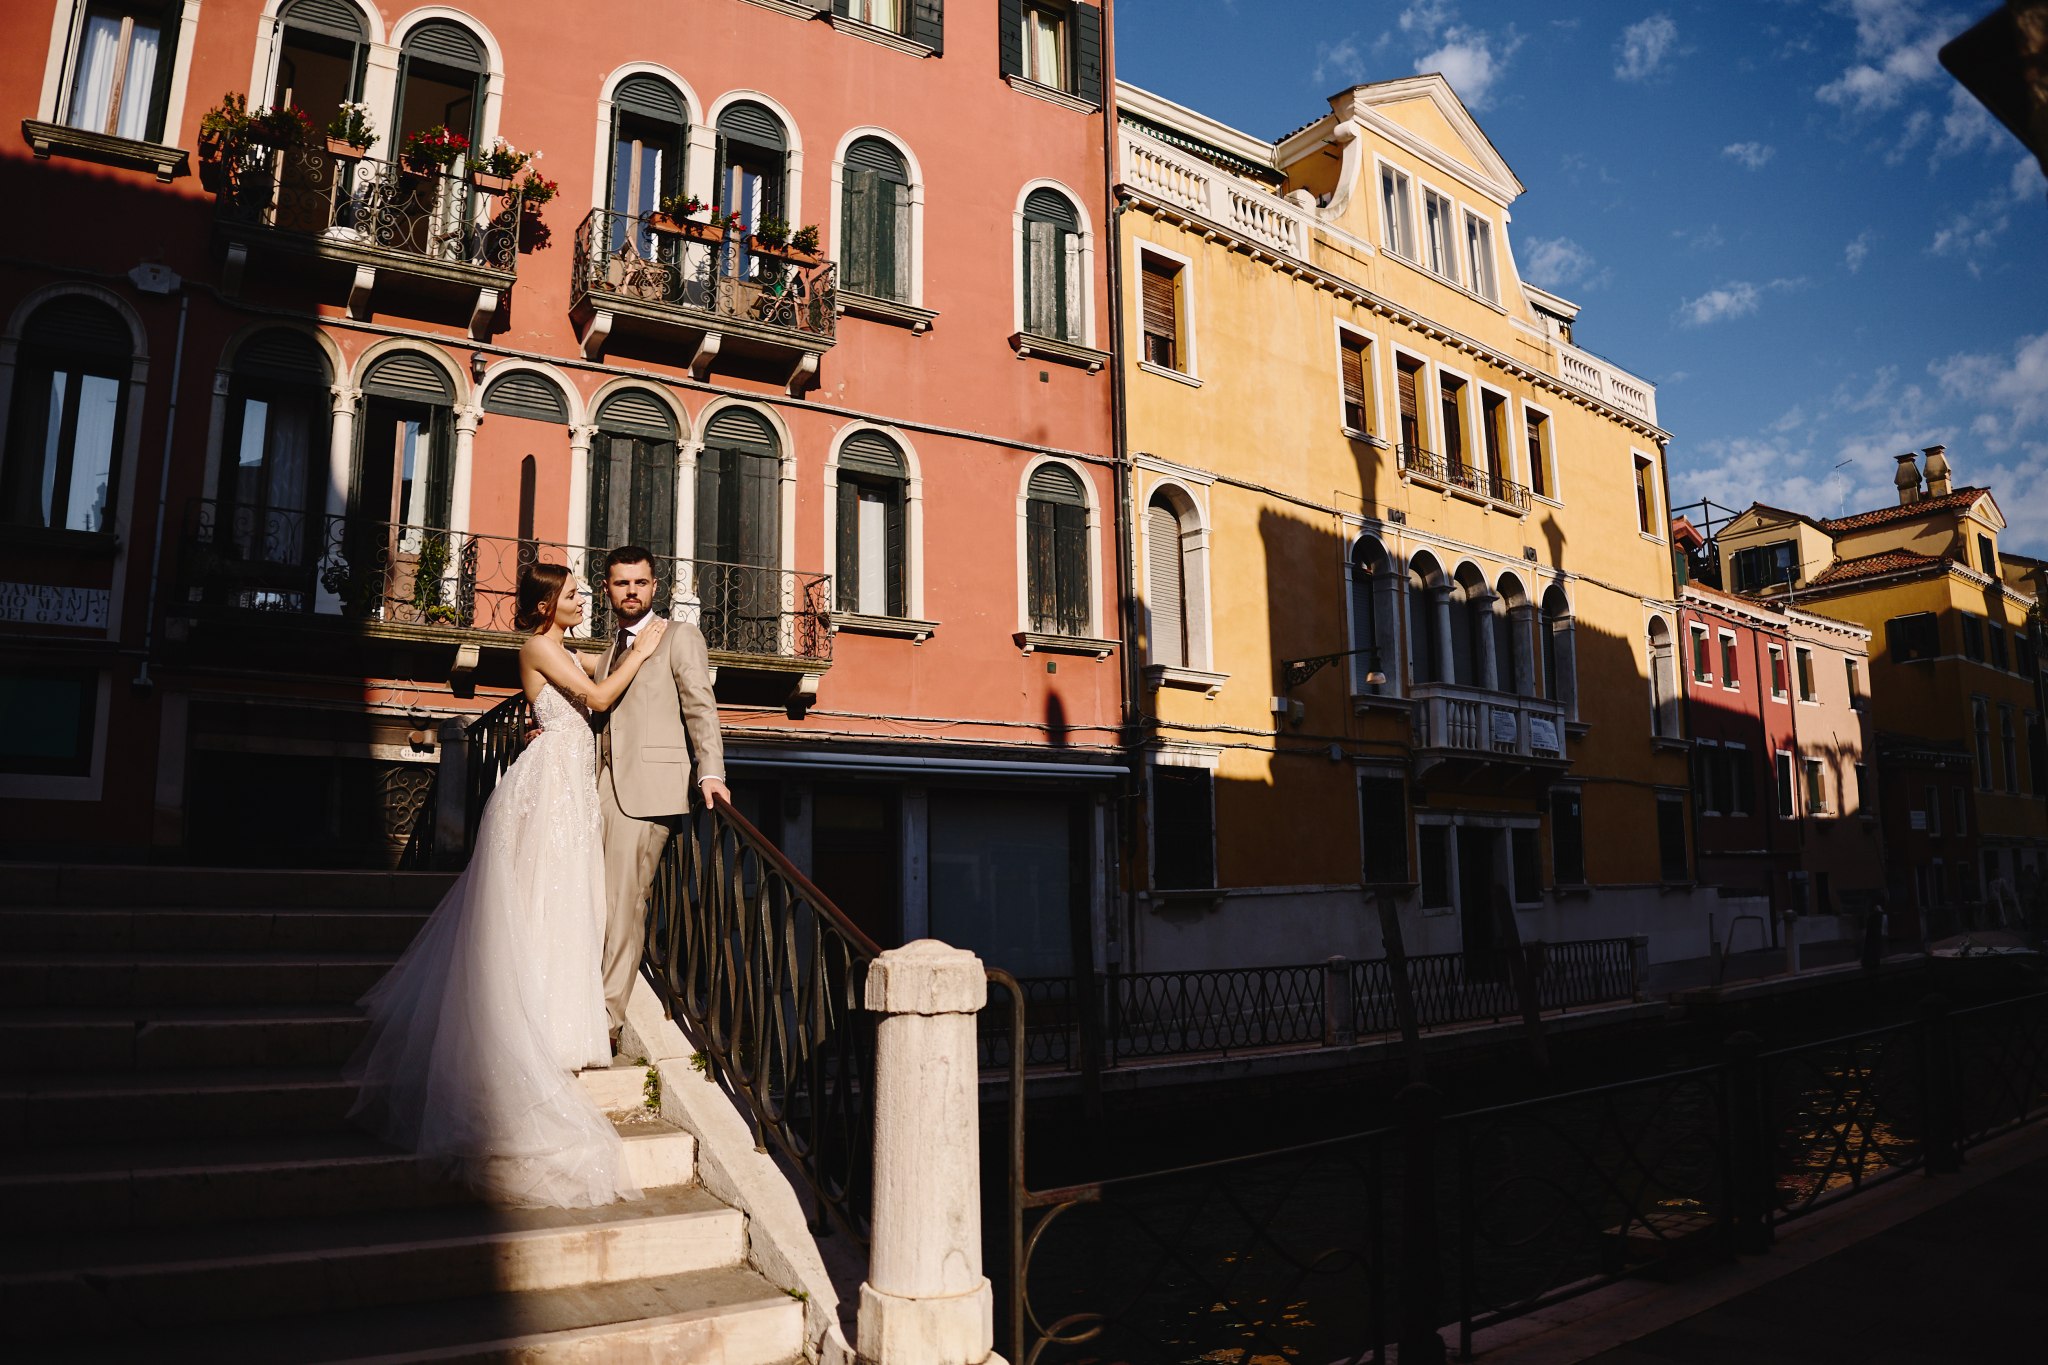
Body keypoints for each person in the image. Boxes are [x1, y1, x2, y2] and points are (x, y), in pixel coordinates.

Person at [344, 562, 669, 1207]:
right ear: (547, 604)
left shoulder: (564, 649)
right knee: (542, 900)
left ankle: (558, 1022)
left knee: (565, 903)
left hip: (569, 786)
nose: (581, 600)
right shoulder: (538, 646)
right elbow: (600, 699)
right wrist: (643, 652)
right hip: (547, 788)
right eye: (572, 593)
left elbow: (593, 688)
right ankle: (537, 1027)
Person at [591, 546, 729, 1055]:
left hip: (648, 793)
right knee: (597, 902)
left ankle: (606, 1020)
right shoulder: (609, 649)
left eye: (640, 582)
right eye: (621, 583)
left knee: (625, 905)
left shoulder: (679, 636)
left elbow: (700, 706)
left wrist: (710, 771)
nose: (631, 591)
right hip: (601, 786)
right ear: (607, 589)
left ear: (654, 587)